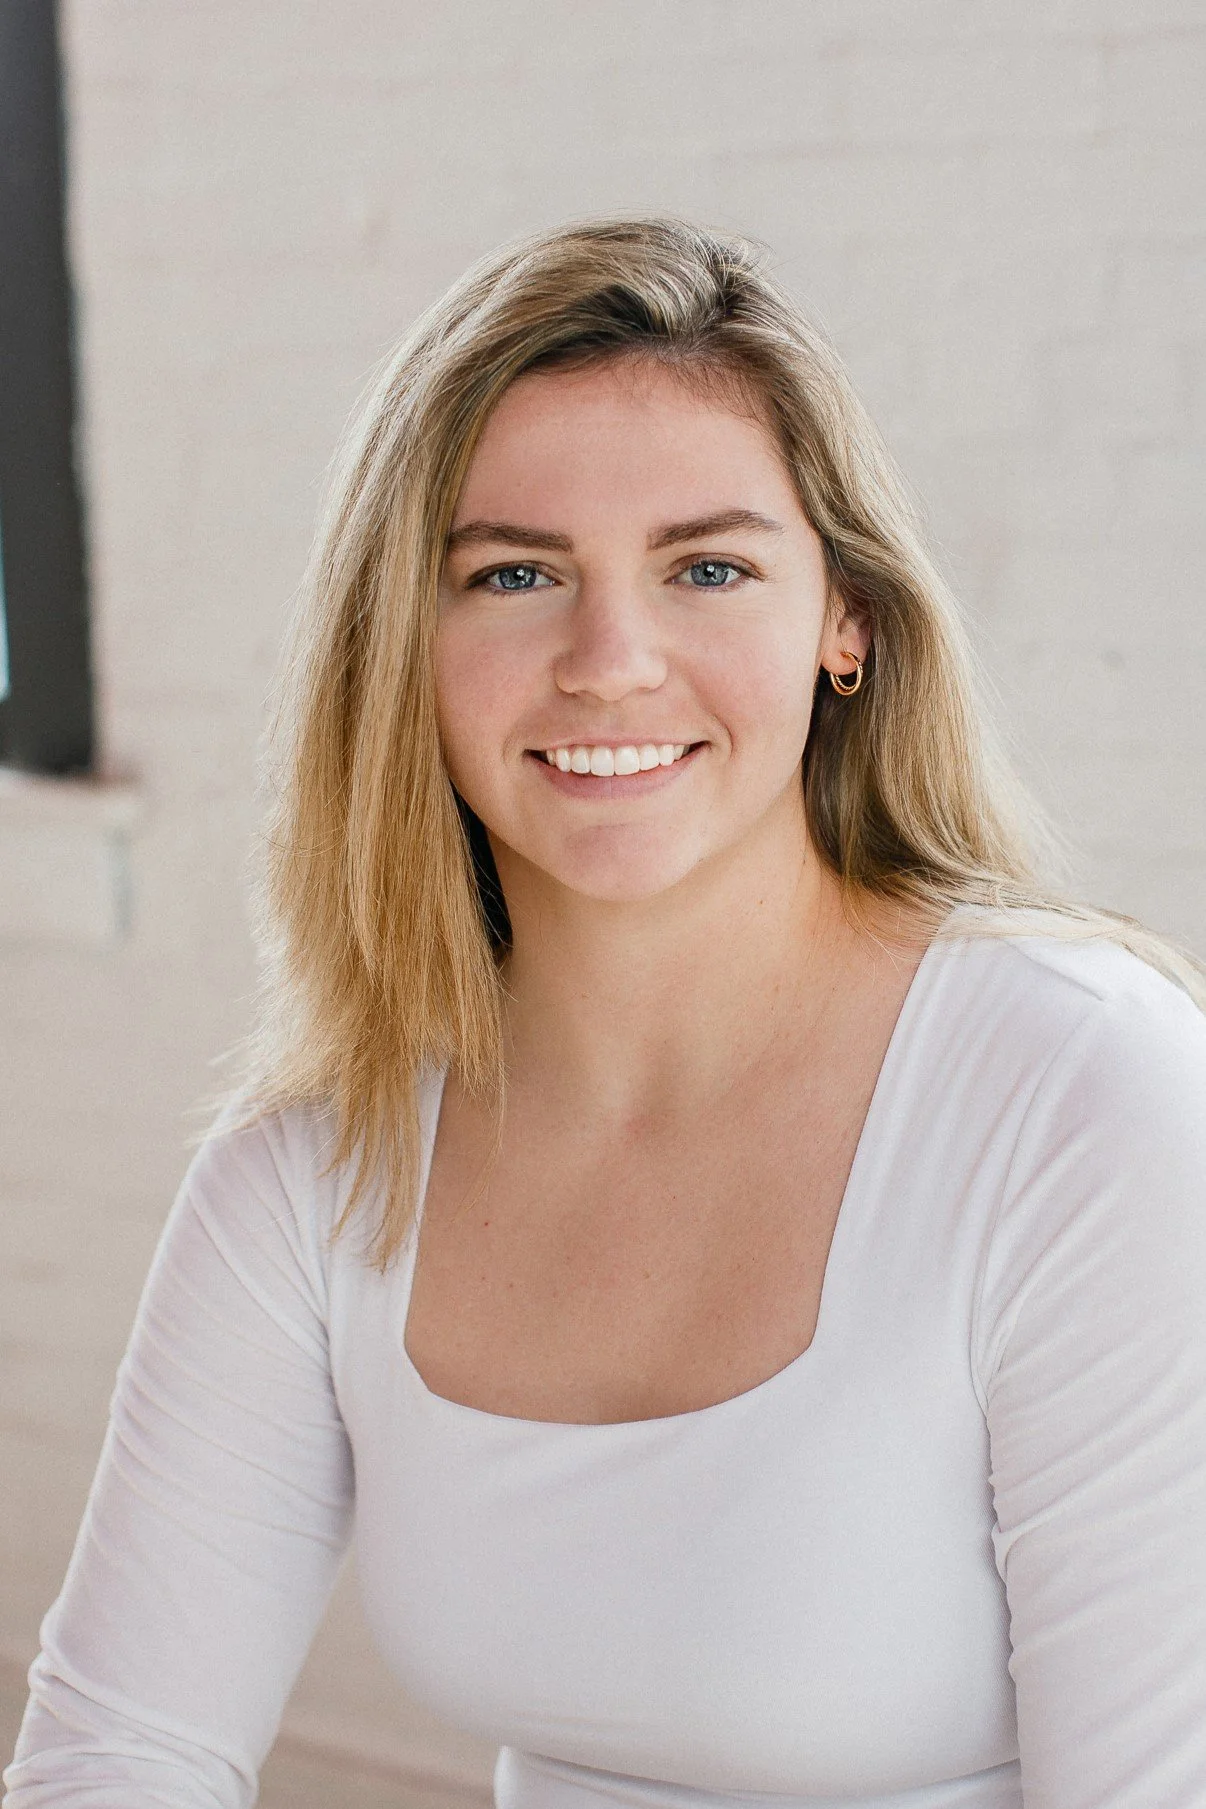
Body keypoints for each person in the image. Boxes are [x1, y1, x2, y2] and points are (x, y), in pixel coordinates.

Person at [6, 217, 1206, 1809]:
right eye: (513, 574)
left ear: (841, 619)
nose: (609, 661)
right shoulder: (317, 1169)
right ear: (404, 646)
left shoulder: (1077, 1089)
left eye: (706, 566)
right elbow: (120, 1756)